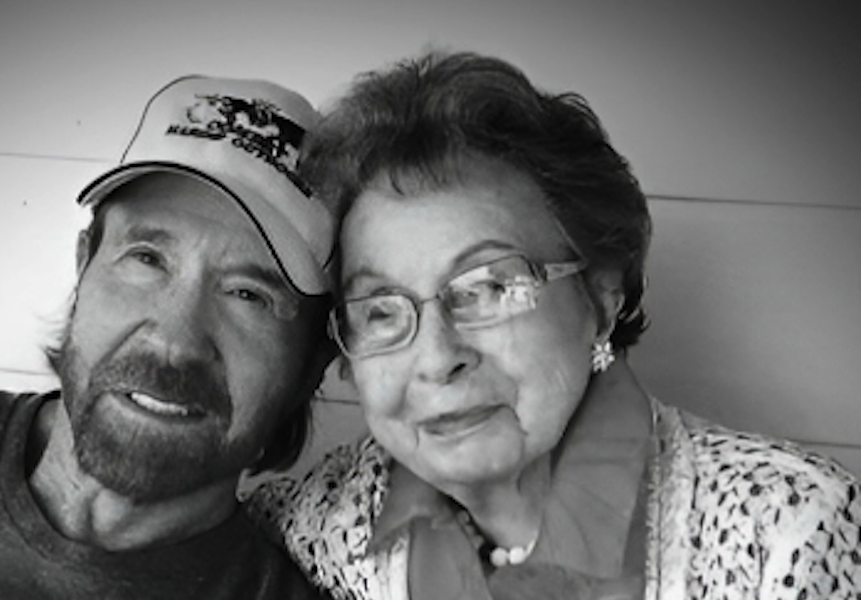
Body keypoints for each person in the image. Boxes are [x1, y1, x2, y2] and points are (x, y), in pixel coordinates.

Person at [249, 51, 861, 600]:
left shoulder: (787, 534)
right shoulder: (322, 528)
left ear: (600, 299)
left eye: (488, 288)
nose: (437, 358)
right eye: (381, 310)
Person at [0, 75, 339, 598]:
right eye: (148, 259)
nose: (174, 341)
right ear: (84, 265)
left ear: (312, 364)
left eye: (248, 294)